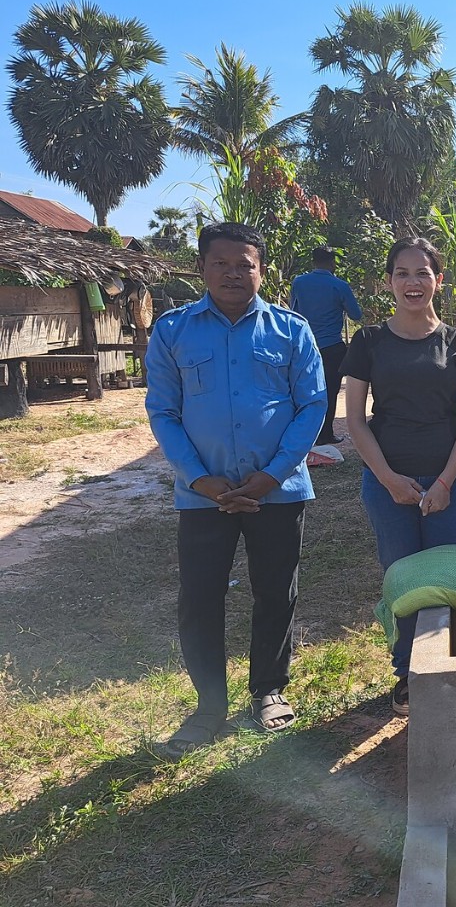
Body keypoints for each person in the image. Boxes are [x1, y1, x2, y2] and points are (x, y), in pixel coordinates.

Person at [145, 222, 325, 757]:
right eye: (220, 262)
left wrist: (271, 476)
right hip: (203, 496)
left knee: (276, 592)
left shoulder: (292, 331)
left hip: (279, 490)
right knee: (199, 599)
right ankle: (208, 706)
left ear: (261, 270)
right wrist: (200, 479)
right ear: (201, 268)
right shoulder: (173, 331)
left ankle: (267, 691)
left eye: (244, 263)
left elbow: (312, 404)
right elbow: (163, 410)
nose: (232, 272)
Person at [341, 237, 456, 716]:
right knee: (402, 575)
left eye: (422, 273)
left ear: (438, 281)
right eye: (402, 273)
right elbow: (356, 420)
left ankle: (442, 667)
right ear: (389, 282)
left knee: (442, 577)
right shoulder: (368, 343)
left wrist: (443, 483)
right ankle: (407, 674)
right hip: (387, 483)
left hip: (448, 478)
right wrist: (388, 479)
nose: (412, 283)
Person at [289, 246, 362, 445]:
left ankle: (306, 434)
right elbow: (356, 314)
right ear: (332, 263)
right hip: (332, 347)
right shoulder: (339, 285)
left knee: (303, 391)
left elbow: (292, 311)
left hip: (304, 347)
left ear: (313, 261)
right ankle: (326, 434)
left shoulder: (299, 283)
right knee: (330, 391)